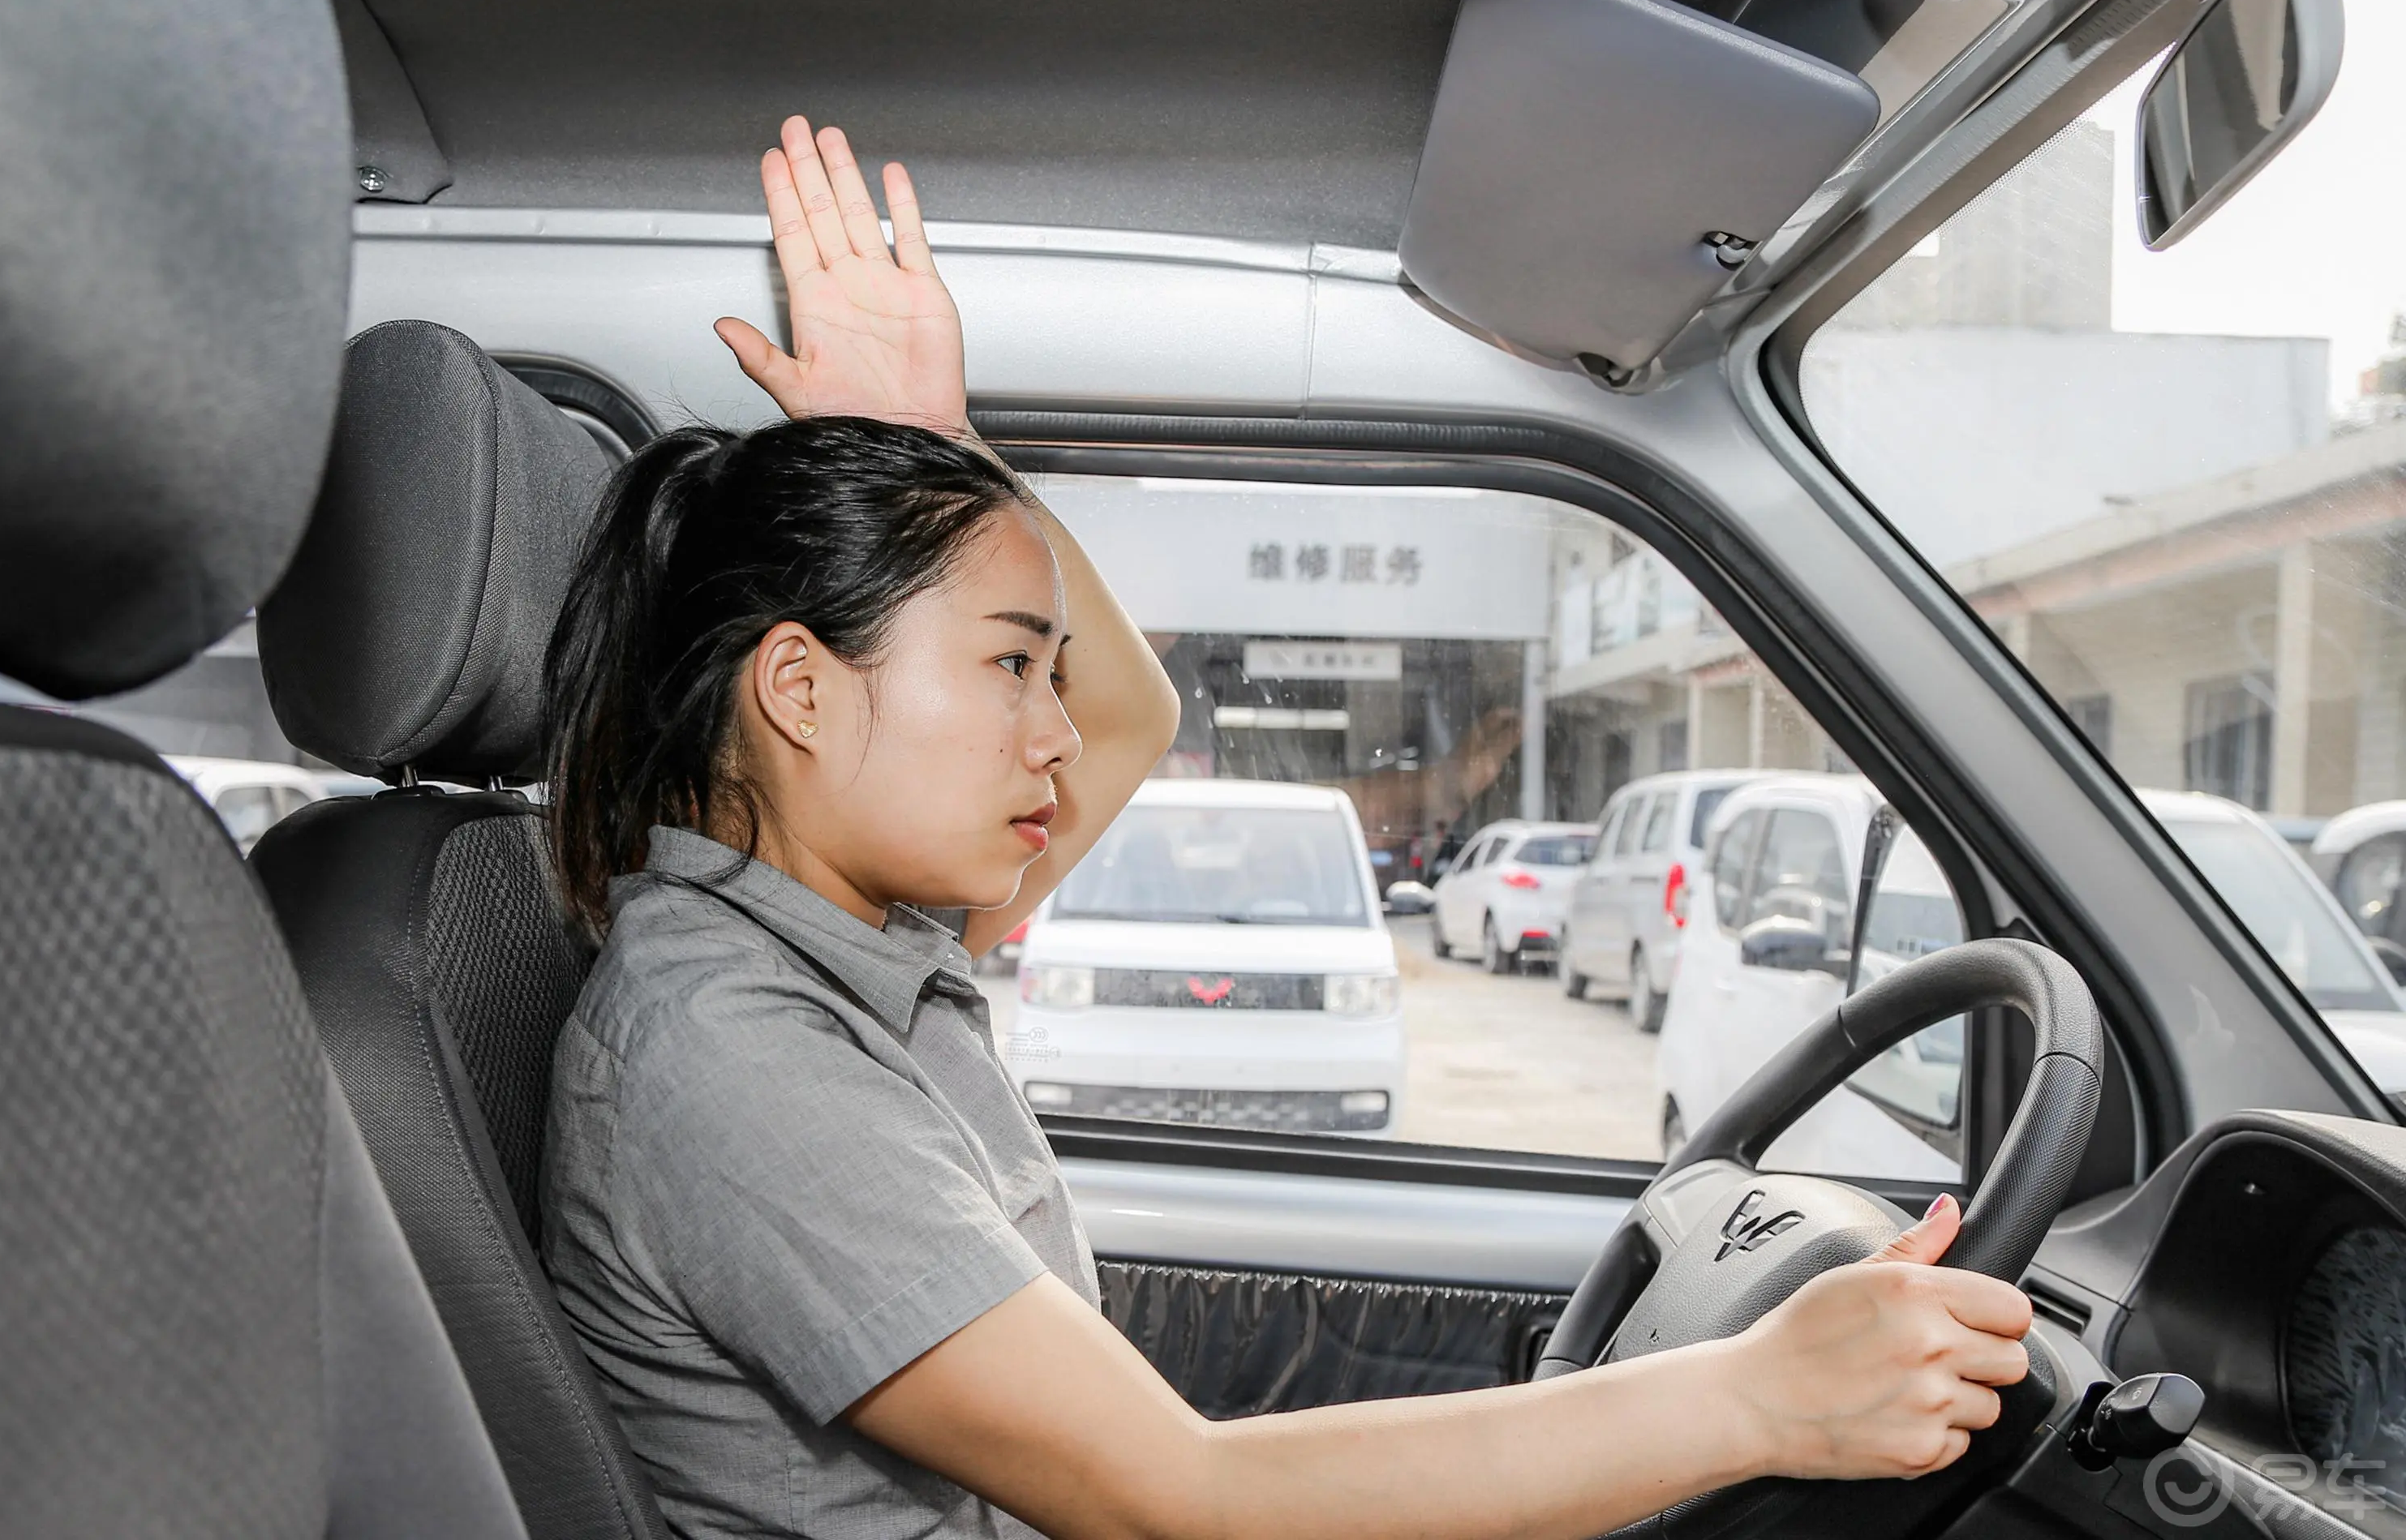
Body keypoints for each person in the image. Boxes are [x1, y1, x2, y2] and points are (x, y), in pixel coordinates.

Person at [538, 116, 2034, 1540]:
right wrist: (1762, 1393)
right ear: (799, 686)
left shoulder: (850, 940)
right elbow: (1171, 1500)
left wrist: (941, 448)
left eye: (1044, 672)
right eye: (1008, 665)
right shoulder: (725, 1048)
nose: (1057, 729)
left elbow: (1124, 726)